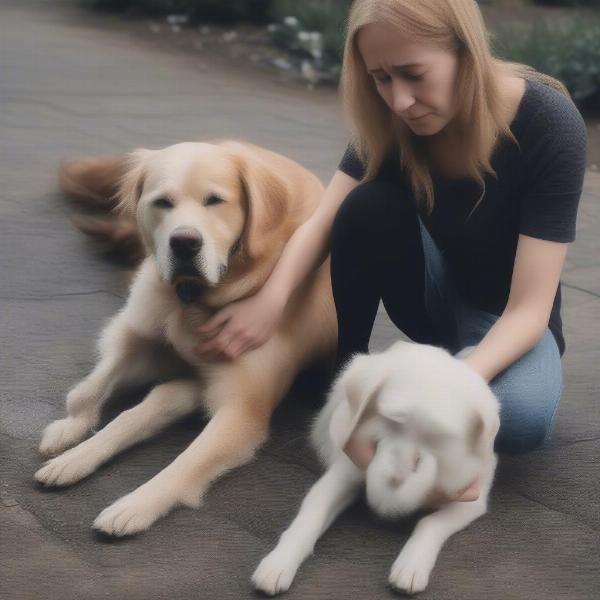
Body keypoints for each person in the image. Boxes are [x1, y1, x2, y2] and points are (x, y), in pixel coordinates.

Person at [192, 0, 587, 500]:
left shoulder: (550, 124)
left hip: (507, 319)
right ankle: (344, 380)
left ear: (466, 53)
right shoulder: (389, 121)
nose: (399, 100)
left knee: (523, 419)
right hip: (429, 296)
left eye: (413, 74)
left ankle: (425, 381)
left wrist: (446, 384)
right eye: (380, 78)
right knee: (365, 206)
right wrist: (267, 304)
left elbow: (529, 308)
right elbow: (324, 223)